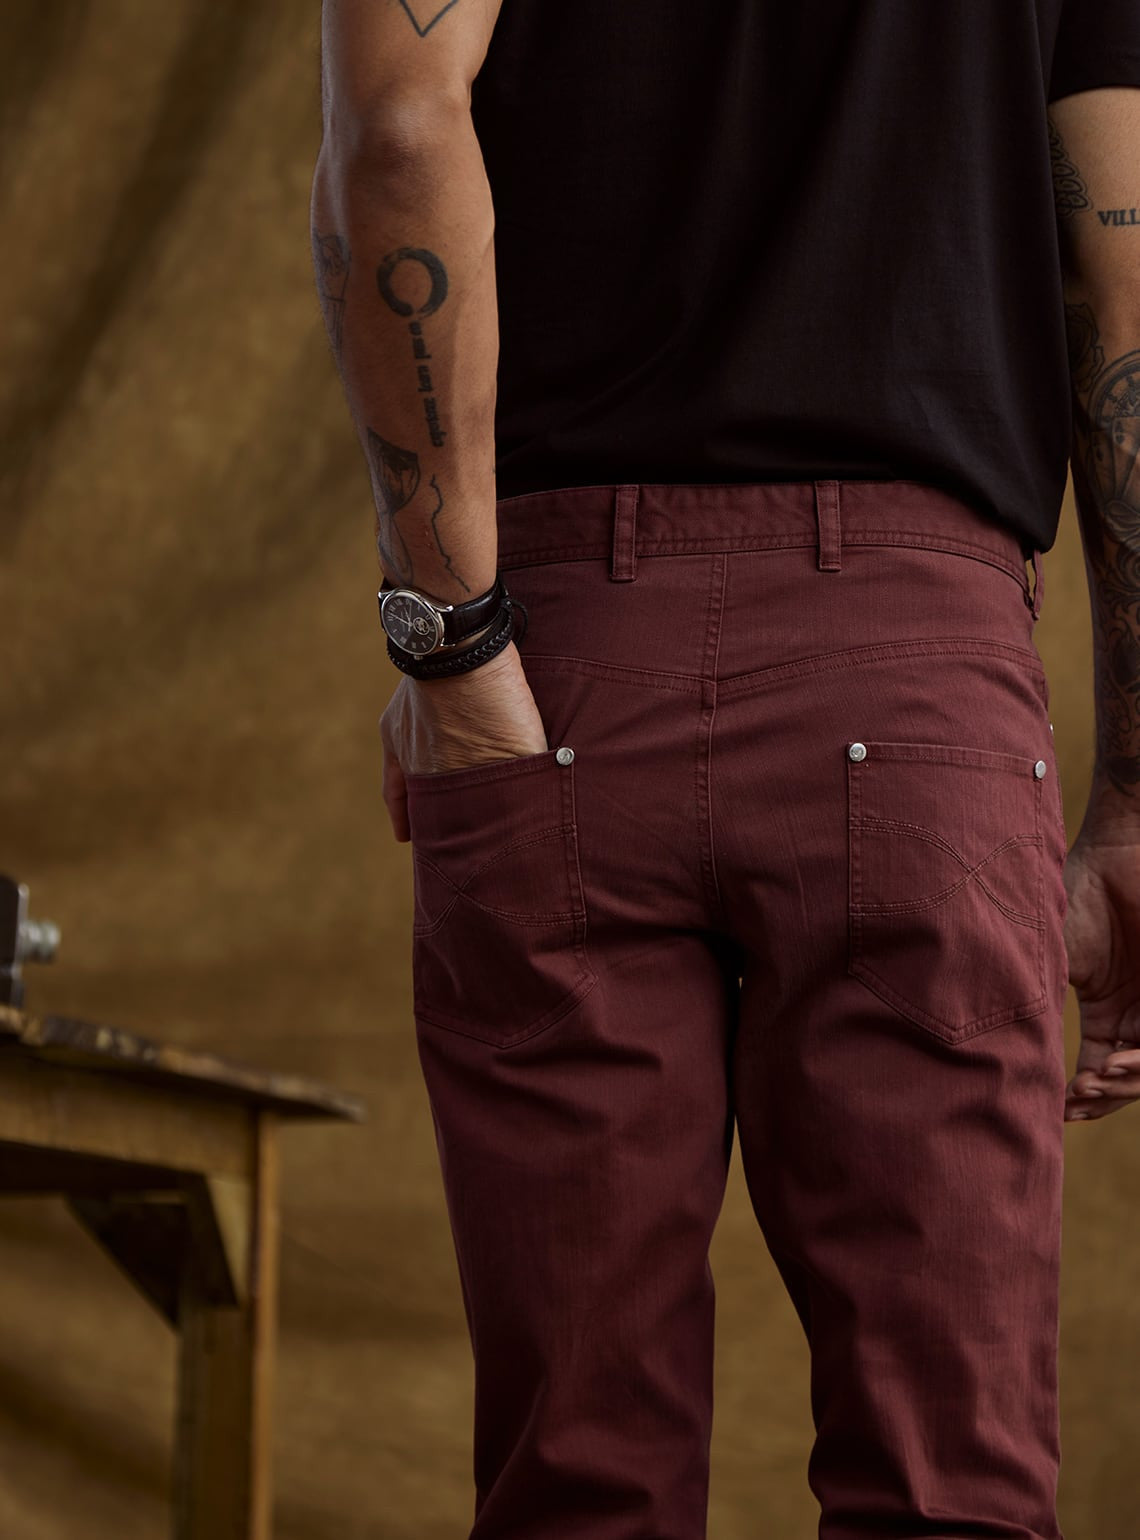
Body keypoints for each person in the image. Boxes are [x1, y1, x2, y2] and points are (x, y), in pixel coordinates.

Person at [310, 2, 1140, 1534]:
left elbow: (403, 121)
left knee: (580, 1491)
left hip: (562, 675)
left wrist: (454, 643)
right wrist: (1138, 795)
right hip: (922, 678)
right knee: (950, 1488)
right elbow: (1126, 283)